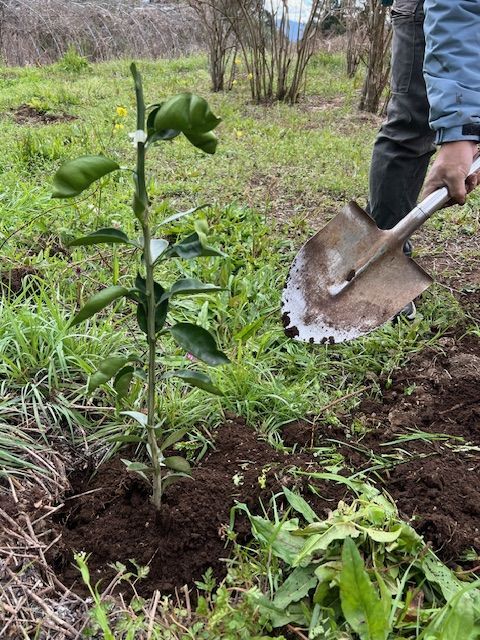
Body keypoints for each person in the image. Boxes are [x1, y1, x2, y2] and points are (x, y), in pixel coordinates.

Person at [370, 0, 480, 318]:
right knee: (410, 130)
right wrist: (458, 129)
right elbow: (455, 8)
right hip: (436, 9)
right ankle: (382, 272)